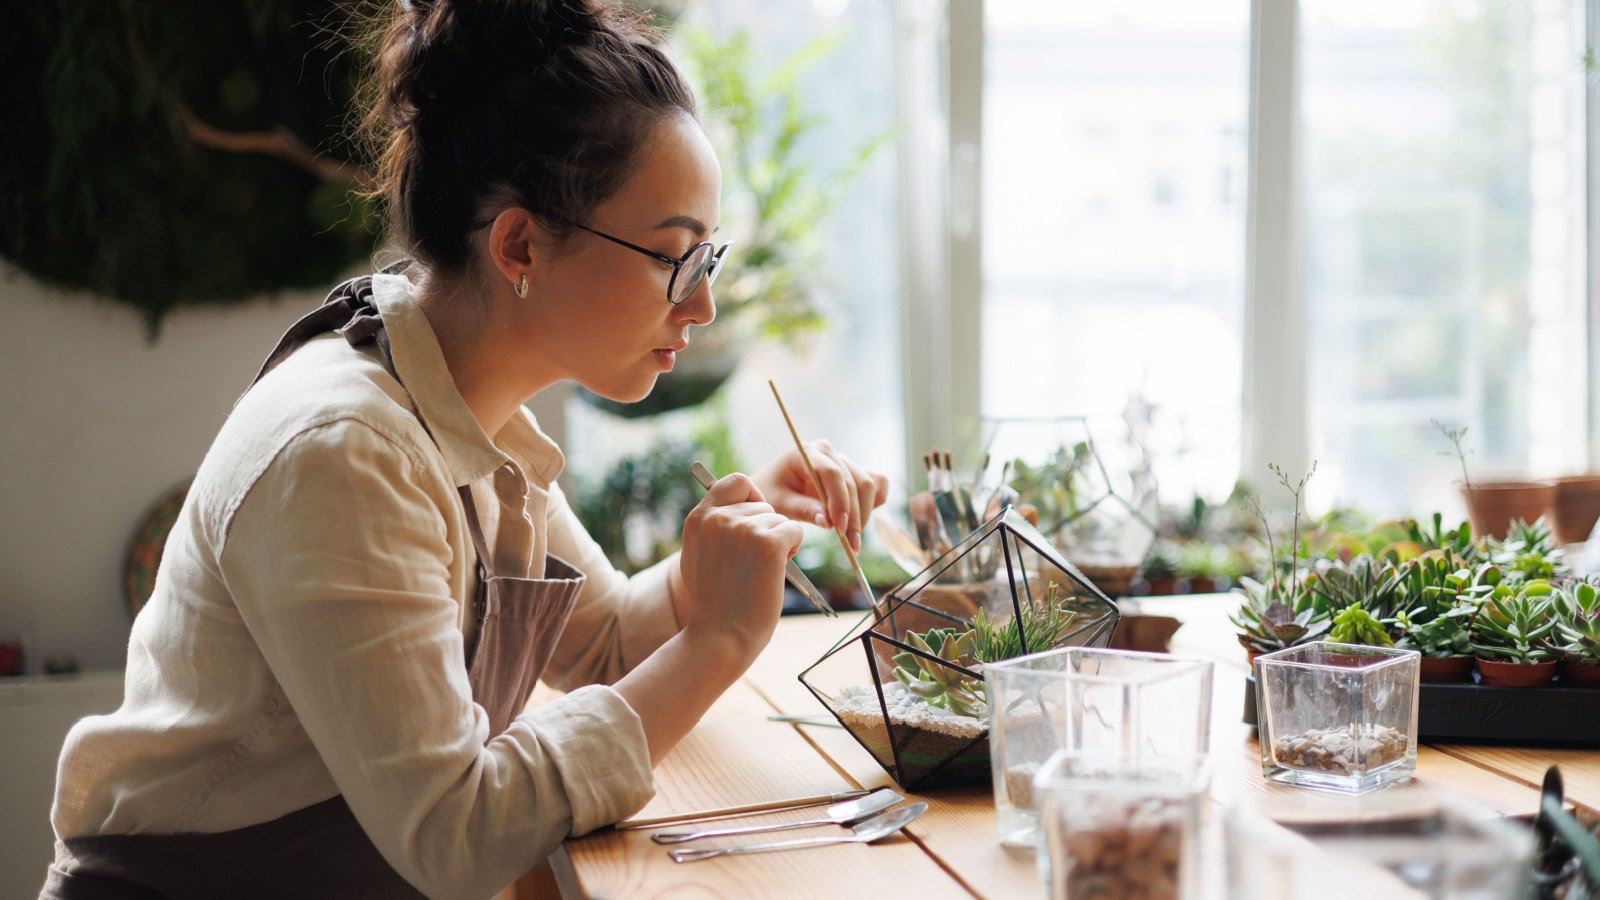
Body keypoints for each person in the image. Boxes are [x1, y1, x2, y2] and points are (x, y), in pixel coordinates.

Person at [42, 1, 887, 896]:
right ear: (521, 243)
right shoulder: (346, 451)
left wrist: (722, 548)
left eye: (706, 259)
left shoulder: (464, 411)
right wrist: (718, 638)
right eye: (674, 257)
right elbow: (457, 835)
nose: (701, 306)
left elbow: (603, 645)